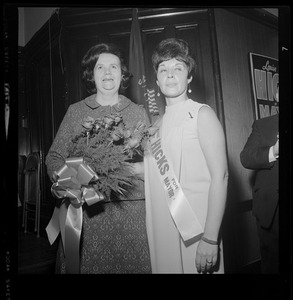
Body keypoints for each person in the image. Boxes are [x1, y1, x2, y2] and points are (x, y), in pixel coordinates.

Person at [45, 42, 151, 273]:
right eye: (100, 67)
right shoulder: (76, 112)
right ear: (91, 75)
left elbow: (154, 162)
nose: (107, 72)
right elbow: (54, 157)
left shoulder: (138, 112)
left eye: (113, 66)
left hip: (131, 212)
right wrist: (68, 181)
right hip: (87, 214)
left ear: (122, 73)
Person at [140, 38, 228, 273]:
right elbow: (149, 174)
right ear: (156, 80)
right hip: (162, 228)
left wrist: (210, 238)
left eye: (178, 68)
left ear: (189, 77)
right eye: (163, 69)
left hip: (196, 229)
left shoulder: (202, 114)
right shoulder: (153, 128)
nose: (170, 74)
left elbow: (221, 176)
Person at [240, 113, 279, 274]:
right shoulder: (263, 125)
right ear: (277, 93)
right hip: (273, 212)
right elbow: (246, 157)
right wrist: (273, 151)